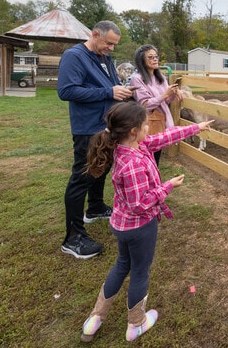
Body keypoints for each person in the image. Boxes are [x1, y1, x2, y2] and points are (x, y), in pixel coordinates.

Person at [79, 101, 212, 343]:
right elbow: (140, 204)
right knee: (140, 272)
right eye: (146, 124)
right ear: (133, 130)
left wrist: (196, 128)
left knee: (122, 265)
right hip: (139, 227)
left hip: (121, 225)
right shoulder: (133, 164)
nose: (149, 128)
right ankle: (136, 324)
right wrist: (168, 186)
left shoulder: (128, 147)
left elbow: (165, 137)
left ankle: (94, 320)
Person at [58, 20, 136, 259]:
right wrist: (108, 92)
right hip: (87, 128)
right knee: (81, 176)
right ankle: (73, 238)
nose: (111, 48)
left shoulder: (105, 59)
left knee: (101, 168)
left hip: (105, 126)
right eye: (108, 43)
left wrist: (122, 92)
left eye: (114, 45)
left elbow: (111, 86)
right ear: (95, 34)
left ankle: (95, 207)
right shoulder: (75, 56)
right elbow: (66, 91)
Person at [129, 44, 183, 165]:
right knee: (146, 158)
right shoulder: (137, 79)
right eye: (150, 57)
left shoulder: (161, 77)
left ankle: (154, 182)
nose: (155, 59)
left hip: (160, 122)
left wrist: (173, 93)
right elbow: (145, 104)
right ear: (141, 60)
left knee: (156, 157)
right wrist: (165, 94)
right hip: (147, 124)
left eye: (156, 56)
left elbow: (166, 102)